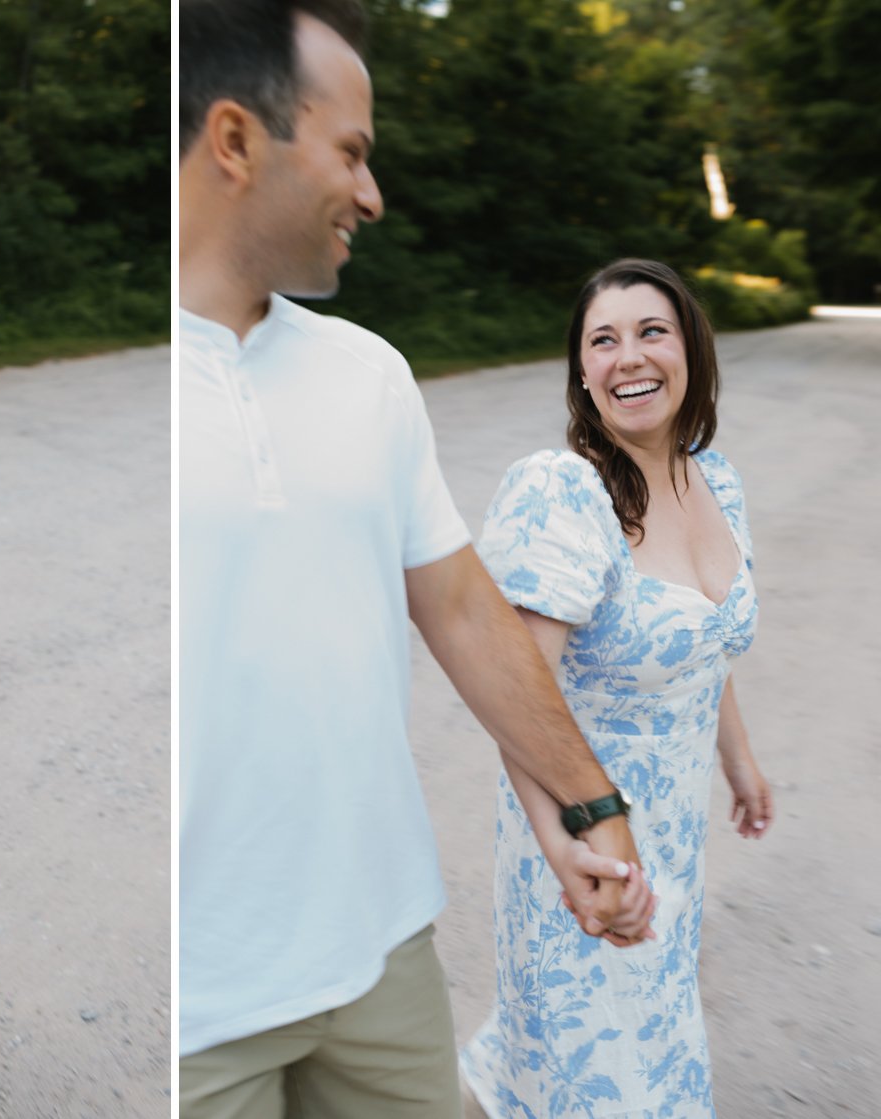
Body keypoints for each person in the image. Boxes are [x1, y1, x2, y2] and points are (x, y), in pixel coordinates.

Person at [179, 3, 656, 1116]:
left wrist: (587, 808)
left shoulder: (369, 375)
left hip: (382, 953)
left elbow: (461, 608)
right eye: (352, 153)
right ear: (237, 140)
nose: (373, 193)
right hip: (203, 1008)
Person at [460, 258, 773, 1117]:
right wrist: (574, 850)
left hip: (675, 837)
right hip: (586, 840)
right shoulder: (565, 493)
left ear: (691, 351)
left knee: (638, 1049)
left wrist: (739, 762)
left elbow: (703, 645)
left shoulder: (717, 479)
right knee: (606, 1080)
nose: (628, 356)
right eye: (603, 340)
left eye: (651, 332)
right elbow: (511, 692)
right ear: (582, 372)